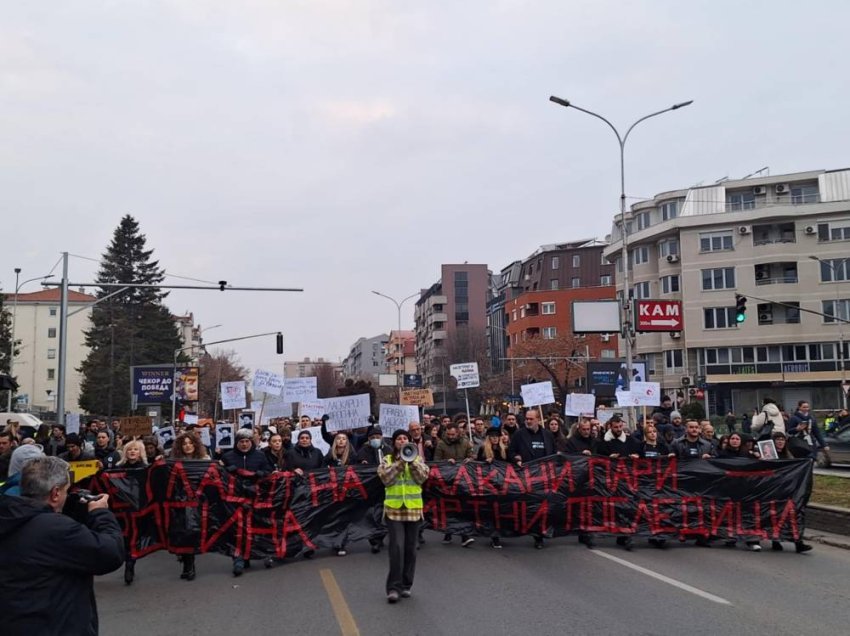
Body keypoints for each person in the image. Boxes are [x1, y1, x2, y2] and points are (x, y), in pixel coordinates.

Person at [0, 456, 124, 635]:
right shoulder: (55, 529)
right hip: (55, 625)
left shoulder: (9, 516)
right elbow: (110, 552)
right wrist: (100, 513)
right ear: (55, 493)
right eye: (67, 490)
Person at [377, 429, 430, 604]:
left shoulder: (418, 459)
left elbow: (422, 477)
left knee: (410, 549)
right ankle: (393, 588)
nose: (402, 440)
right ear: (394, 443)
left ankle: (407, 584)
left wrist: (412, 462)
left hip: (413, 510)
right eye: (399, 439)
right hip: (394, 510)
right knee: (396, 549)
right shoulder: (388, 460)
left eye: (405, 438)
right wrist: (400, 462)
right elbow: (386, 479)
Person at [222, 429, 273, 575]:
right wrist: (226, 469)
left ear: (251, 442)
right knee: (238, 530)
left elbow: (269, 470)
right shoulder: (228, 457)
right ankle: (239, 559)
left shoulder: (260, 456)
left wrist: (262, 473)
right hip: (236, 499)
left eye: (247, 441)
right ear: (236, 443)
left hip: (256, 497)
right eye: (241, 442)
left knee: (259, 526)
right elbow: (219, 475)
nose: (244, 444)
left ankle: (265, 554)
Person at [508, 408, 555, 549]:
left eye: (531, 419)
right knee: (530, 506)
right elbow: (511, 451)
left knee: (542, 507)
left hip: (543, 477)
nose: (528, 421)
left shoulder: (547, 435)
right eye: (527, 419)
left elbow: (553, 453)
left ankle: (538, 535)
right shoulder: (519, 434)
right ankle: (528, 529)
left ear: (538, 419)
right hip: (526, 478)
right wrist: (516, 458)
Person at [434, 422, 475, 547]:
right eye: (449, 434)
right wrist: (446, 461)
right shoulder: (441, 444)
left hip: (463, 480)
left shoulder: (465, 442)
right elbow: (436, 460)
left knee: (462, 507)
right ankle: (448, 532)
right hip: (448, 481)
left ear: (458, 432)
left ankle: (464, 536)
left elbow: (472, 455)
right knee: (450, 507)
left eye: (453, 434)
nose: (451, 437)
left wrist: (471, 458)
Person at [116, 440, 147, 584]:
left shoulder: (147, 469)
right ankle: (128, 562)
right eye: (129, 450)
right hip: (123, 509)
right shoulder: (117, 469)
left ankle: (130, 564)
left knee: (134, 539)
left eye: (135, 449)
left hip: (140, 510)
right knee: (126, 538)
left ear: (140, 452)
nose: (132, 452)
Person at [477, 426, 509, 548]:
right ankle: (494, 536)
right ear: (489, 438)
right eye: (493, 437)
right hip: (489, 485)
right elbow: (478, 465)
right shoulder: (483, 449)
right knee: (492, 511)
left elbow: (510, 463)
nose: (495, 439)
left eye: (497, 437)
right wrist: (486, 461)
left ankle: (499, 534)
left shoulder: (505, 449)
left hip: (502, 485)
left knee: (501, 511)